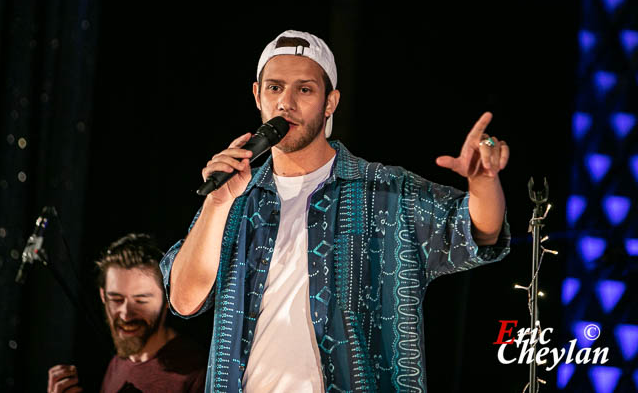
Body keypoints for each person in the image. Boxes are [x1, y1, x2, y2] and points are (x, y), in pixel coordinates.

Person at [160, 30, 511, 392]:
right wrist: (216, 204)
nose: (286, 103)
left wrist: (483, 182)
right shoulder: (235, 199)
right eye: (275, 88)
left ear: (330, 102)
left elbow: (479, 231)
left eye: (305, 89)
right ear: (257, 95)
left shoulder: (384, 190)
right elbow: (184, 300)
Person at [47, 233, 206, 393]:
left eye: (141, 300)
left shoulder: (197, 373)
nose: (125, 315)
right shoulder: (118, 362)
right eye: (116, 299)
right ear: (103, 296)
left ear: (167, 300)